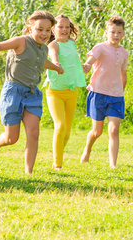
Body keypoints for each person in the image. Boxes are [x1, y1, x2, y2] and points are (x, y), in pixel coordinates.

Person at [0, 10, 64, 174]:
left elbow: (42, 63)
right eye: (40, 29)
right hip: (13, 92)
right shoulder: (21, 42)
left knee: (34, 133)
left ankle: (29, 172)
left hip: (32, 94)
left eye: (48, 30)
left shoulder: (43, 49)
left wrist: (56, 67)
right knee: (11, 138)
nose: (44, 33)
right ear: (30, 27)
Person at [80, 16, 128, 168]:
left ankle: (113, 164)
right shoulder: (100, 47)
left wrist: (121, 91)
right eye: (113, 32)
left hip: (116, 96)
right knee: (97, 132)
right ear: (106, 32)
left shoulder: (125, 53)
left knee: (114, 130)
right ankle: (87, 151)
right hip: (98, 93)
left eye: (119, 32)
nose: (116, 35)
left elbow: (123, 75)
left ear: (123, 34)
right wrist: (86, 66)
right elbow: (90, 61)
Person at [44, 15, 86, 170]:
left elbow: (72, 62)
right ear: (53, 30)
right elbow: (54, 57)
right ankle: (58, 164)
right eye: (60, 26)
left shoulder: (72, 43)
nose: (64, 30)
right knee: (60, 126)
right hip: (55, 92)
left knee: (67, 132)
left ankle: (57, 155)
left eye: (67, 27)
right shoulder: (53, 45)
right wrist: (56, 63)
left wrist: (82, 66)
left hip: (71, 90)